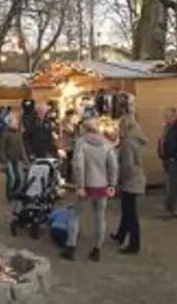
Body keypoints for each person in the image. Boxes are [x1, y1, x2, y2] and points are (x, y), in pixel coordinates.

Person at [62, 115, 118, 262]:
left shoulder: (81, 142)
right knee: (100, 217)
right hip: (102, 186)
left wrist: (80, 185)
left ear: (84, 129)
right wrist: (112, 184)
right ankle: (96, 250)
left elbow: (78, 164)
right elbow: (113, 165)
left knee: (76, 215)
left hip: (86, 185)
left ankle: (71, 247)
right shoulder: (107, 143)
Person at [111, 111, 147, 255]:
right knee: (127, 211)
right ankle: (121, 235)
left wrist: (120, 179)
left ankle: (134, 244)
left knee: (130, 213)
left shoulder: (127, 143)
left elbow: (128, 166)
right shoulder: (136, 140)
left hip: (130, 181)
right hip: (137, 178)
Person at [0, 112, 26, 200]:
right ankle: (9, 194)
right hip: (9, 159)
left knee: (21, 178)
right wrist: (4, 159)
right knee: (12, 178)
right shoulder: (5, 133)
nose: (17, 123)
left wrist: (25, 158)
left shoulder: (18, 134)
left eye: (17, 122)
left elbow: (21, 147)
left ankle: (16, 193)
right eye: (15, 122)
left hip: (17, 158)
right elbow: (2, 147)